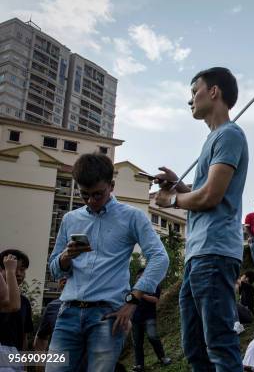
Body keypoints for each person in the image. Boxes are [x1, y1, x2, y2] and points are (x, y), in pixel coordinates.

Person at [154, 67, 248, 371]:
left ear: (214, 92)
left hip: (214, 252)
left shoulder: (229, 134)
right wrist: (180, 186)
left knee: (219, 346)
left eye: (194, 91)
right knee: (194, 350)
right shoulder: (213, 139)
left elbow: (211, 197)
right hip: (198, 255)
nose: (190, 100)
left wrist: (173, 199)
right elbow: (206, 192)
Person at [46, 153, 169, 371]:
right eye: (84, 195)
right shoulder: (70, 219)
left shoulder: (132, 217)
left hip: (107, 315)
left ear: (111, 186)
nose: (91, 201)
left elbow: (160, 257)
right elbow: (55, 269)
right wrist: (66, 257)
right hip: (68, 313)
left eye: (98, 194)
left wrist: (132, 301)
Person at [131, 268, 171, 371]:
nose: (140, 279)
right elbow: (129, 304)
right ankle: (139, 365)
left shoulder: (154, 285)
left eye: (142, 276)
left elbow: (155, 300)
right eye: (138, 277)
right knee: (137, 343)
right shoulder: (133, 289)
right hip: (135, 319)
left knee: (152, 337)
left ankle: (163, 358)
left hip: (149, 317)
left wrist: (142, 294)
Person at [0, 252, 28, 354]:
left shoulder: (24, 302)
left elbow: (24, 336)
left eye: (22, 270)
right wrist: (10, 272)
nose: (18, 273)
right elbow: (13, 305)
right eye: (14, 268)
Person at [33, 277, 67, 351]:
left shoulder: (94, 305)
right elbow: (41, 338)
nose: (64, 277)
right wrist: (39, 361)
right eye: (61, 274)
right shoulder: (52, 306)